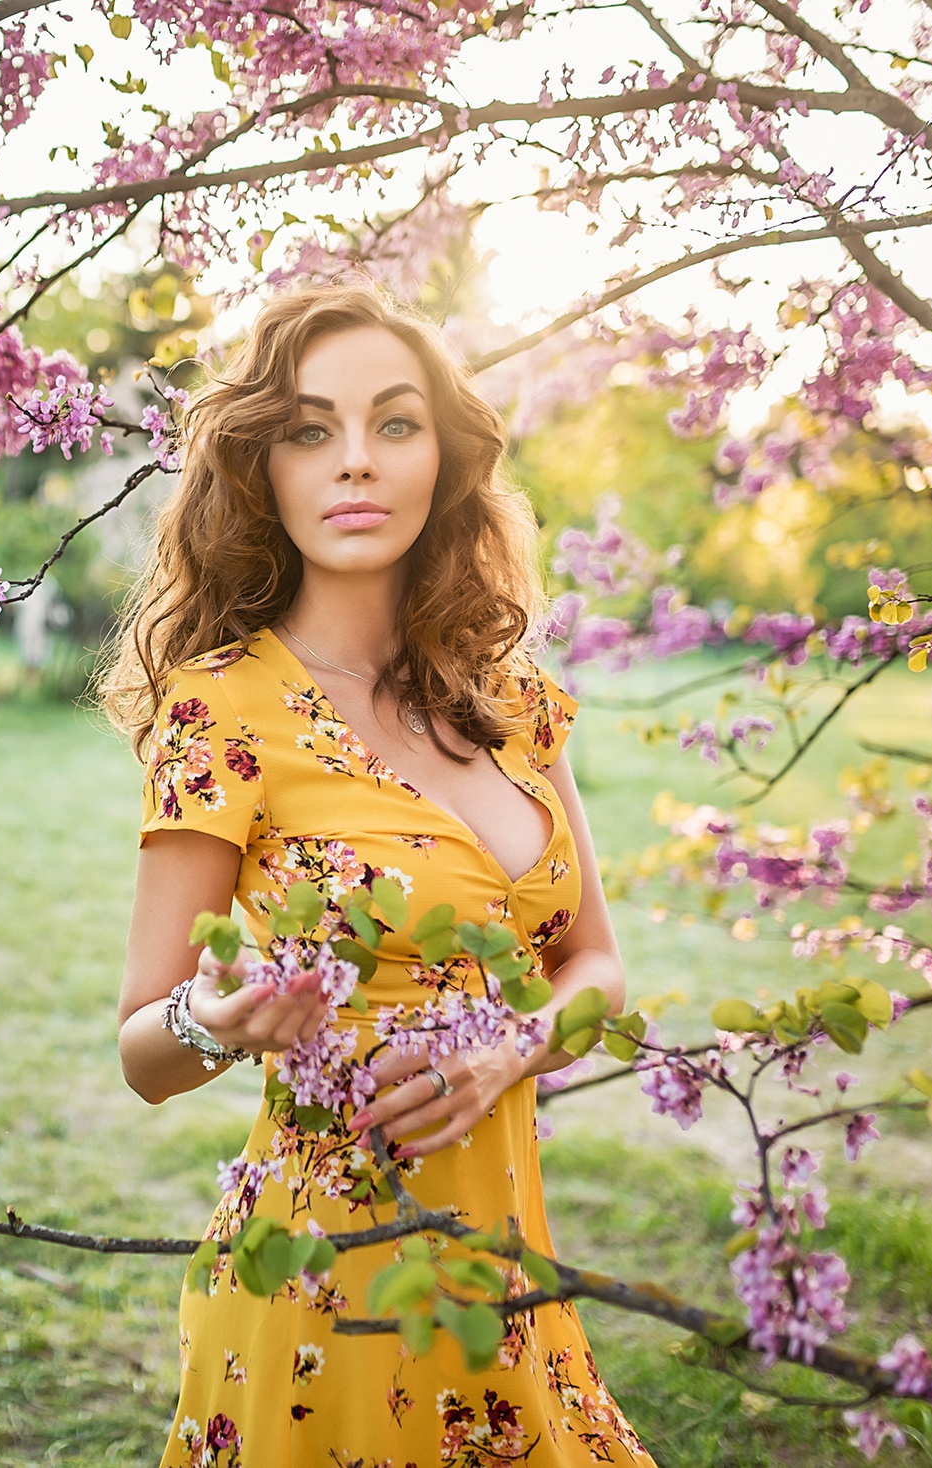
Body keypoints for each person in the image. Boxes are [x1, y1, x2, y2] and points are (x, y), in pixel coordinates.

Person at [100, 282, 653, 1466]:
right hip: (321, 1292)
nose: (354, 460)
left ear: (442, 459)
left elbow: (595, 964)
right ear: (263, 467)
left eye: (394, 424)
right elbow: (143, 1055)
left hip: (504, 1277)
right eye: (309, 430)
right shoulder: (224, 708)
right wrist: (219, 1016)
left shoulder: (511, 701)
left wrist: (516, 1042)